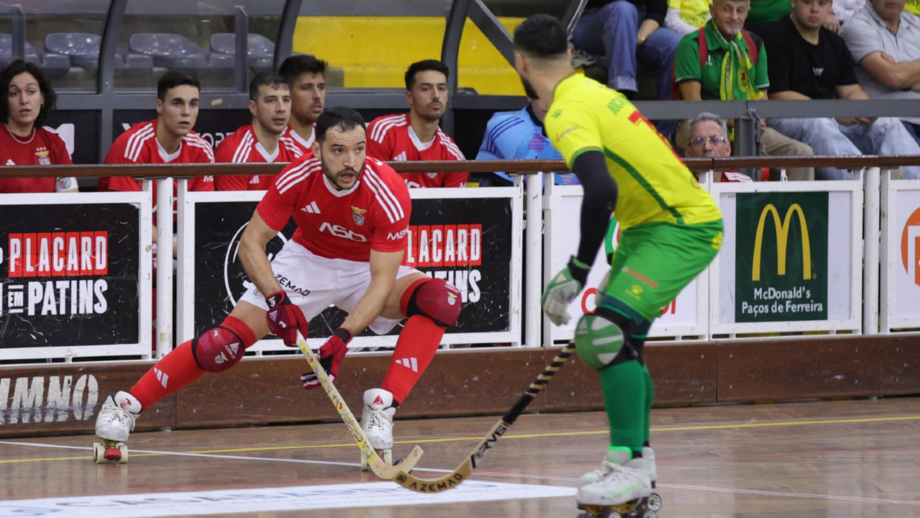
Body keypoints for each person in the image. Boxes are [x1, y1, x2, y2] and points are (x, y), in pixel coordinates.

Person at [94, 107, 463, 468]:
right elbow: (251, 243)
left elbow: (382, 280)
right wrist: (277, 300)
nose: (351, 161)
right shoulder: (297, 175)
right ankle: (125, 405)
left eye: (359, 149)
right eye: (338, 150)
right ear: (316, 150)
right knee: (220, 346)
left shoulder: (388, 190)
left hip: (366, 268)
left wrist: (343, 337)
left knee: (440, 300)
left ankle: (383, 406)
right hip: (306, 260)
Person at [515, 14, 723, 510]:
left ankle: (627, 464)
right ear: (568, 55)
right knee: (619, 340)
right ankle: (635, 459)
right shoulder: (592, 91)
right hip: (647, 228)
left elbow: (601, 189)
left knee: (603, 336)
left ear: (520, 62)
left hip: (680, 228)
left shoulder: (565, 111)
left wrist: (576, 272)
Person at [762, 0, 920, 179]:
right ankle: (863, 188)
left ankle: (915, 189)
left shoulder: (835, 42)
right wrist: (833, 112)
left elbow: (852, 91)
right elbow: (779, 95)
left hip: (830, 117)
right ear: (794, 3)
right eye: (807, 2)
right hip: (786, 117)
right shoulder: (774, 36)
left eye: (822, 4)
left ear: (830, 7)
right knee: (819, 123)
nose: (815, 9)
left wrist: (864, 108)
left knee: (885, 122)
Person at [674, 0, 816, 180]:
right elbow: (693, 104)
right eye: (727, 9)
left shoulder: (755, 43)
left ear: (747, 12)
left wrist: (756, 130)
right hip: (702, 127)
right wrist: (735, 121)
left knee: (801, 153)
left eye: (740, 10)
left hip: (748, 125)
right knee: (713, 148)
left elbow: (762, 99)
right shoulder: (692, 44)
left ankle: (797, 207)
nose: (734, 16)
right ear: (712, 10)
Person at [98, 71, 215, 212]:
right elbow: (129, 216)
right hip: (126, 231)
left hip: (177, 233)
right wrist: (168, 235)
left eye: (193, 104)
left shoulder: (202, 149)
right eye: (177, 103)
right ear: (159, 106)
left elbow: (202, 212)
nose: (186, 112)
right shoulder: (133, 144)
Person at [366, 60, 468, 189]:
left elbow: (453, 207)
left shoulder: (455, 158)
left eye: (441, 88)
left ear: (447, 95)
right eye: (425, 89)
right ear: (409, 97)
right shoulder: (383, 131)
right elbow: (370, 191)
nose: (436, 95)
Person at [840, 0, 920, 145]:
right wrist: (900, 75)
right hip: (892, 124)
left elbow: (897, 76)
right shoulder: (856, 26)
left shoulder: (916, 24)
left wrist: (902, 75)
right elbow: (893, 77)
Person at [572, 0, 683, 101]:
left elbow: (657, 11)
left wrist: (639, 37)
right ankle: (624, 92)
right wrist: (625, 33)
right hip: (590, 20)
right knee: (623, 9)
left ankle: (670, 121)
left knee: (674, 44)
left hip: (638, 23)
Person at [475, 80, 577, 186]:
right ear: (530, 94)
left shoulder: (585, 130)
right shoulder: (505, 127)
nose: (549, 103)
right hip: (512, 200)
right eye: (543, 94)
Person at [215, 73, 303, 190]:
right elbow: (234, 208)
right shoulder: (234, 152)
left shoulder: (295, 153)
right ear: (253, 107)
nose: (281, 108)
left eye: (286, 100)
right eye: (271, 100)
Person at [0, 60, 77, 193]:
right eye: (14, 93)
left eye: (31, 91)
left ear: (42, 98)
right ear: (4, 100)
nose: (24, 100)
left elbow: (70, 198)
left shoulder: (54, 140)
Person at [683, 112, 757, 181]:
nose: (707, 147)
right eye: (699, 141)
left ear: (727, 149)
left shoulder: (742, 185)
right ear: (688, 152)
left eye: (714, 140)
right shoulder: (677, 188)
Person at [279, 55, 327, 155]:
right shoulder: (272, 142)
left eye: (321, 87)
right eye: (306, 88)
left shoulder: (332, 139)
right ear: (286, 94)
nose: (317, 95)